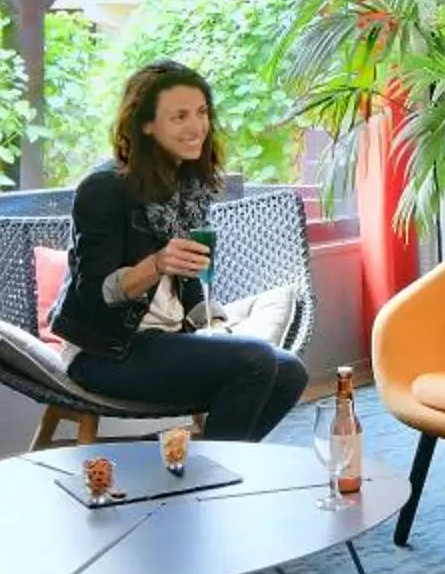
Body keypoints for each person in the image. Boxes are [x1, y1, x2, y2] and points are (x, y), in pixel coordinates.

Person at [50, 59, 311, 443]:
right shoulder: (103, 189)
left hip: (167, 340)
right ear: (145, 125)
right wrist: (156, 264)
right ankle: (215, 482)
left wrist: (217, 325)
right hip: (107, 352)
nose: (196, 127)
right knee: (254, 362)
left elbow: (189, 282)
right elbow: (95, 296)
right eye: (180, 117)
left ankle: (204, 463)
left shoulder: (188, 185)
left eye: (202, 112)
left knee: (290, 371)